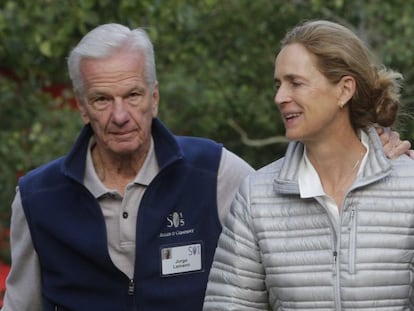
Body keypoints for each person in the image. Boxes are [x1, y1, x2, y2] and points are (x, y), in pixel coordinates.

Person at [0, 23, 410, 311]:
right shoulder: (38, 197)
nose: (120, 115)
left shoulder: (216, 172)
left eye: (133, 95)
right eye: (103, 100)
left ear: (155, 98)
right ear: (82, 107)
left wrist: (380, 157)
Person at [203, 20, 414, 310]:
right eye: (278, 85)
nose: (279, 98)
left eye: (295, 83)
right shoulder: (256, 196)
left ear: (344, 90)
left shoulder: (409, 187)